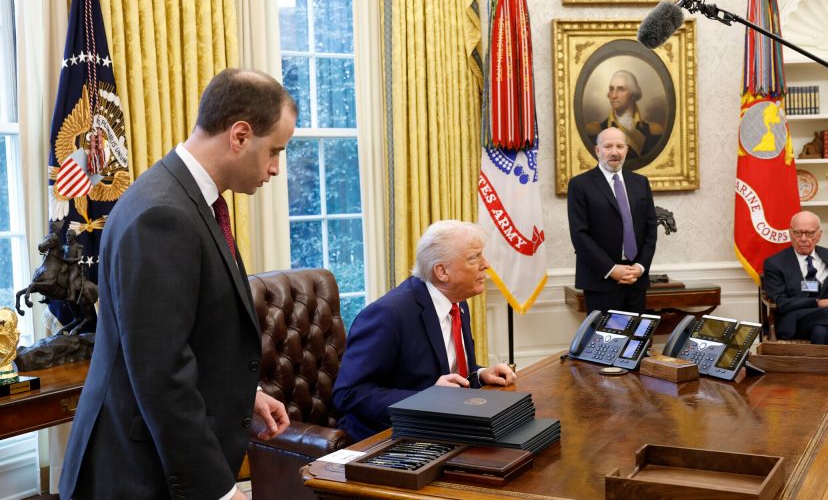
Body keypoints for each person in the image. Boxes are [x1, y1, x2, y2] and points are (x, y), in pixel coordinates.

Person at [59, 69, 295, 500]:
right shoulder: (163, 215)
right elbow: (161, 373)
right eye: (275, 150)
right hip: (138, 474)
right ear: (240, 135)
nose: (276, 168)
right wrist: (218, 491)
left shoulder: (188, 200)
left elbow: (196, 331)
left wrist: (246, 395)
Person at [332, 220, 517, 442]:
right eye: (474, 257)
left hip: (442, 428)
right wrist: (428, 398)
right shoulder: (388, 314)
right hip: (387, 437)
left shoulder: (457, 304)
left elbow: (441, 374)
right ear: (442, 271)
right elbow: (348, 394)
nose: (485, 264)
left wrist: (479, 374)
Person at [568, 127, 658, 314]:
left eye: (619, 146)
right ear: (597, 151)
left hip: (636, 280)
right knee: (606, 342)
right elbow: (580, 235)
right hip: (601, 280)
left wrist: (640, 267)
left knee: (636, 341)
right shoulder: (580, 185)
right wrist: (611, 269)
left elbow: (650, 230)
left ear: (626, 150)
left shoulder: (640, 183)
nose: (614, 152)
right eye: (608, 146)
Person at [762, 211, 828, 346]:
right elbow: (782, 302)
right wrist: (822, 303)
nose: (803, 238)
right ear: (790, 233)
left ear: (819, 234)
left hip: (823, 322)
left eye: (809, 233)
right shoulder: (775, 263)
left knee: (820, 333)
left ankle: (823, 368)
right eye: (798, 233)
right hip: (793, 321)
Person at [585, 70, 664, 160]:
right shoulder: (595, 131)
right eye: (611, 89)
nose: (613, 95)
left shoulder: (653, 131)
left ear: (632, 94)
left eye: (620, 89)